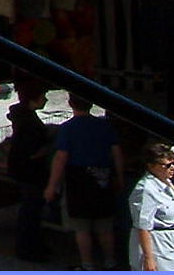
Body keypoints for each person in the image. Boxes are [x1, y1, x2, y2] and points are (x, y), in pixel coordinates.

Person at [46, 94, 125, 271]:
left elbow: (60, 158)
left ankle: (87, 265)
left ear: (70, 103)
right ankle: (110, 262)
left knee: (81, 227)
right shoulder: (105, 126)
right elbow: (117, 153)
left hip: (78, 179)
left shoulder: (68, 128)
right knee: (105, 226)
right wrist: (119, 177)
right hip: (103, 177)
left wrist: (52, 185)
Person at [5, 80, 56, 263]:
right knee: (31, 213)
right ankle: (28, 249)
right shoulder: (28, 122)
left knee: (31, 211)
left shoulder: (23, 116)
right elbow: (32, 151)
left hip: (23, 170)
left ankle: (33, 246)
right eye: (43, 96)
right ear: (34, 98)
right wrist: (50, 147)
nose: (46, 99)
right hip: (31, 172)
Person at [129, 142, 174, 271]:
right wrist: (149, 259)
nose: (173, 167)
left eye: (173, 163)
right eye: (167, 165)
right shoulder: (145, 189)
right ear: (151, 166)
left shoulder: (166, 182)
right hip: (157, 249)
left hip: (173, 247)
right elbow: (143, 226)